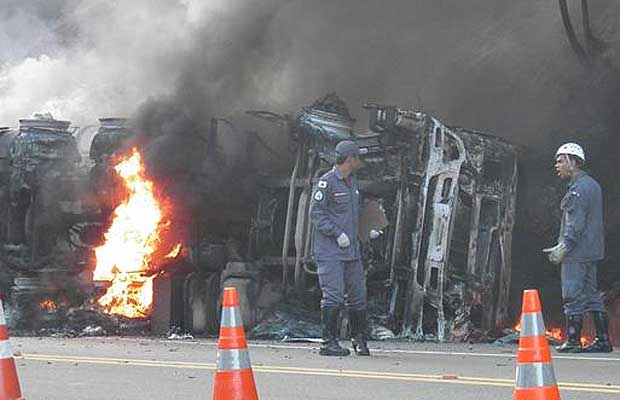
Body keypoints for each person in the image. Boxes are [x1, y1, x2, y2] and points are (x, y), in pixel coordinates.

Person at [543, 143, 613, 353]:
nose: (557, 165)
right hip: (591, 252)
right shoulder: (592, 185)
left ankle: (573, 341)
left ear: (573, 162)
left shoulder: (578, 189)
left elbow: (575, 223)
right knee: (591, 295)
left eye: (561, 160)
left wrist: (564, 246)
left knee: (572, 294)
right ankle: (603, 341)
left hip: (577, 252)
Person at [309, 140, 370, 356]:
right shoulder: (327, 183)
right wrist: (337, 233)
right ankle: (328, 342)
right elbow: (316, 214)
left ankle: (359, 339)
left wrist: (367, 231)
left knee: (358, 295)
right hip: (331, 252)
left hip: (352, 252)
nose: (360, 161)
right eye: (357, 157)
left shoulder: (352, 182)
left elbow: (354, 216)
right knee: (333, 296)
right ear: (349, 159)